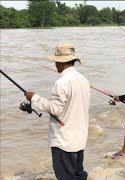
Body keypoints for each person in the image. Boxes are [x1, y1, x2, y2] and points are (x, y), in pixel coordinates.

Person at [24, 43, 91, 180]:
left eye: (55, 61)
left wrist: (34, 98)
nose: (55, 64)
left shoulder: (62, 82)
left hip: (64, 140)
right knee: (79, 174)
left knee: (66, 176)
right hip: (80, 138)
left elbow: (55, 109)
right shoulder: (83, 80)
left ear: (60, 63)